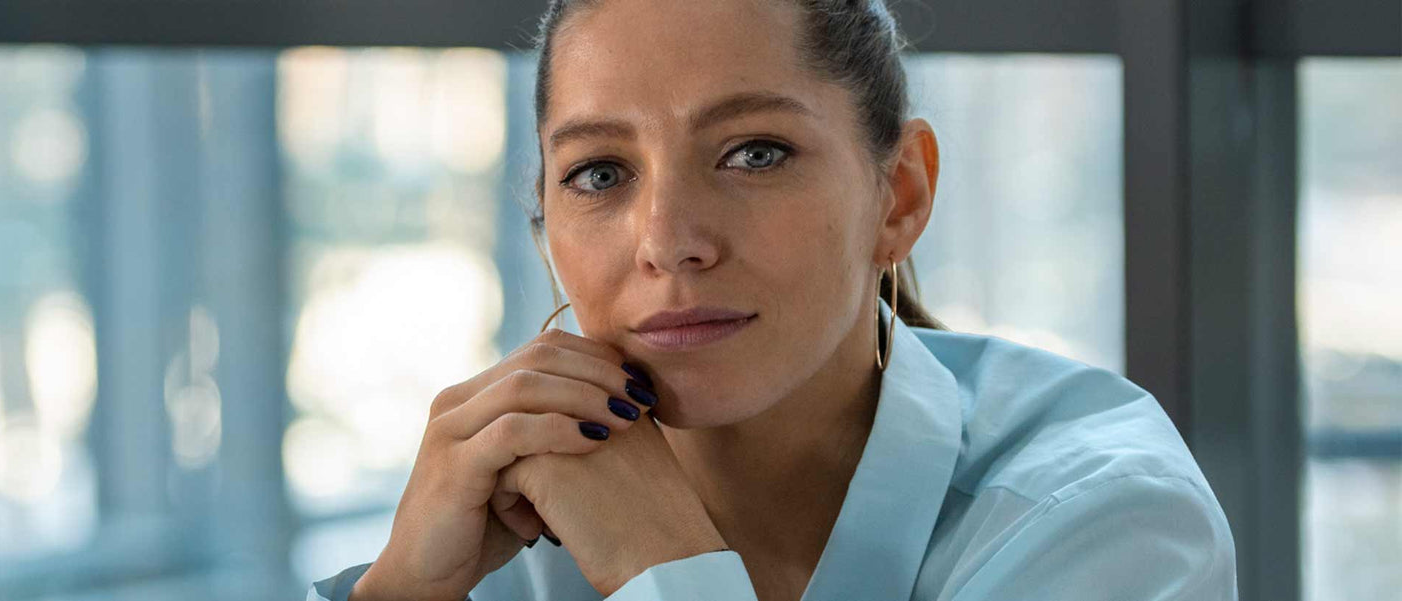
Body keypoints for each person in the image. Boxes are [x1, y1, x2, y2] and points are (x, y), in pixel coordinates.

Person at [308, 0, 1239, 599]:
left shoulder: (1111, 523)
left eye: (755, 153)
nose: (669, 239)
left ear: (899, 194)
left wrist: (663, 572)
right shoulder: (509, 516)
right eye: (600, 172)